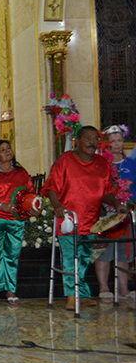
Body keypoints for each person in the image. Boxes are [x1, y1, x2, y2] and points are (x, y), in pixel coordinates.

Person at [42, 125, 129, 310]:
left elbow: (106, 192)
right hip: (68, 219)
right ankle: (72, 296)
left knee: (83, 258)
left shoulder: (102, 163)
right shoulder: (65, 160)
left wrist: (116, 204)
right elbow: (51, 187)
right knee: (70, 257)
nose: (93, 143)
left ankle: (82, 293)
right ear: (77, 141)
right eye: (88, 139)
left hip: (91, 220)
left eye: (96, 139)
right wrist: (57, 206)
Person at [0, 140, 41, 305]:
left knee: (11, 256)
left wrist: (35, 208)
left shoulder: (21, 172)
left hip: (16, 221)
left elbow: (31, 194)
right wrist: (1, 204)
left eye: (8, 148)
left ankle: (11, 291)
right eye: (2, 150)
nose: (7, 151)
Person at [95, 126, 136, 303]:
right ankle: (104, 287)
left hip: (127, 213)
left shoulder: (131, 163)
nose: (117, 144)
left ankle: (123, 288)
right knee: (104, 250)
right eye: (112, 140)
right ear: (106, 144)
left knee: (125, 250)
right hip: (106, 213)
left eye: (119, 140)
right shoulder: (101, 164)